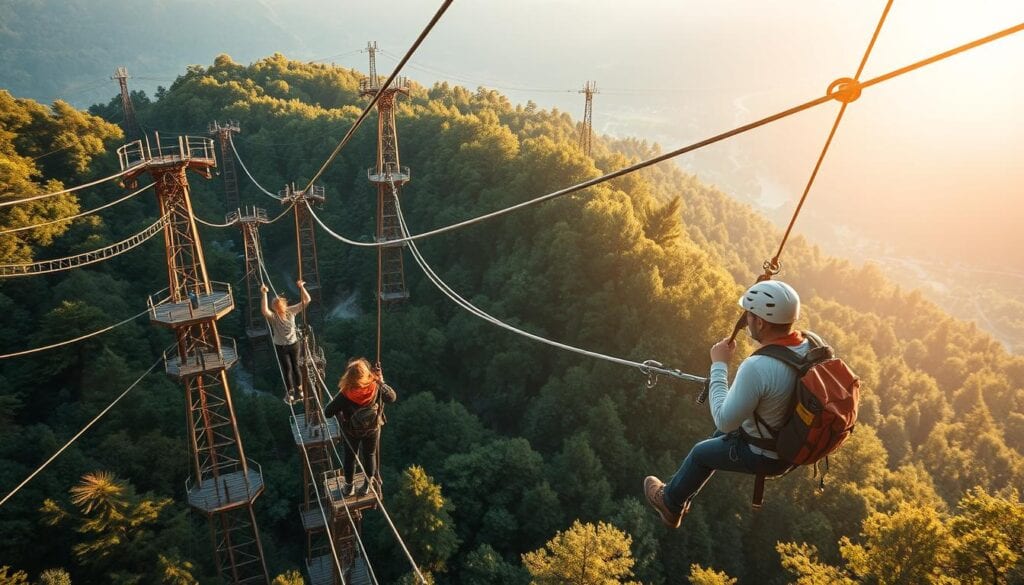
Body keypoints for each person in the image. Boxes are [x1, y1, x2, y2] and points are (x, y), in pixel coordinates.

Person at [644, 280, 810, 528]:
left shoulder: (758, 367)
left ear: (761, 322)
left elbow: (723, 419)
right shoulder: (809, 344)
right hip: (793, 439)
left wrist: (719, 364)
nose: (746, 320)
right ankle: (682, 491)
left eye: (750, 315)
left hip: (766, 454)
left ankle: (671, 503)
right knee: (717, 439)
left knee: (701, 452)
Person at [324, 358, 397, 497]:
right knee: (369, 455)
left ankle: (349, 487)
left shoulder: (345, 394)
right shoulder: (375, 386)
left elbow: (328, 413)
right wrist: (380, 380)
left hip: (352, 431)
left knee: (350, 457)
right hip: (372, 429)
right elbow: (392, 397)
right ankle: (367, 485)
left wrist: (337, 401)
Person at [261, 280, 311, 403]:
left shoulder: (273, 317)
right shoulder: (291, 311)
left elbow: (264, 310)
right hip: (294, 344)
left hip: (281, 346)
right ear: (284, 304)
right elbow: (307, 300)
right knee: (296, 367)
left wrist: (264, 294)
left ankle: (291, 393)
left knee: (287, 369)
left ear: (274, 308)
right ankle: (300, 390)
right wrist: (301, 287)